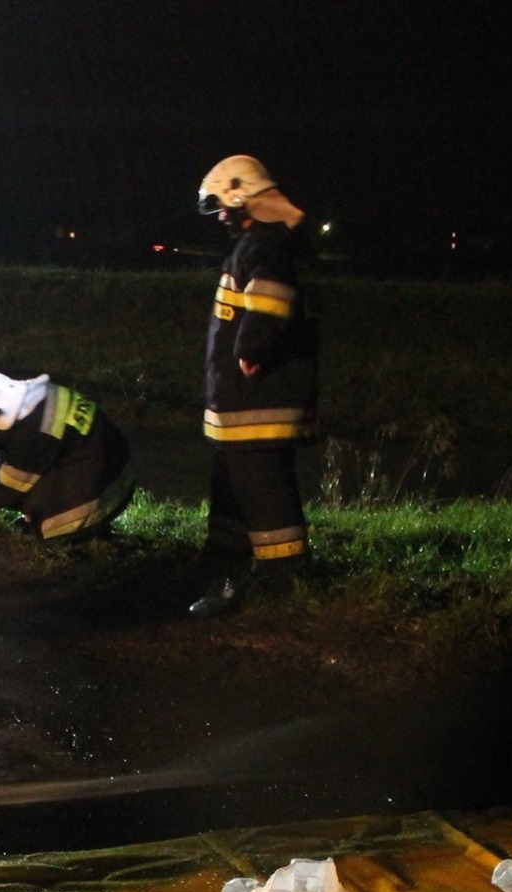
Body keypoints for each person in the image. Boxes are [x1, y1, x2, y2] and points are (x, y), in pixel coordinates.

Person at [189, 154, 319, 617]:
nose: (222, 215)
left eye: (225, 205)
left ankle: (285, 578)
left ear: (243, 196)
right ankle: (227, 565)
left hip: (257, 402)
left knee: (263, 491)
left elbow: (267, 300)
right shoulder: (259, 242)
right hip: (242, 406)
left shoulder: (263, 244)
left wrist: (251, 349)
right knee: (231, 485)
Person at [0, 371, 134, 540]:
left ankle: (68, 529)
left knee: (28, 496)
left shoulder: (32, 431)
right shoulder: (40, 396)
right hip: (117, 478)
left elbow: (14, 485)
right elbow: (14, 449)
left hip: (98, 500)